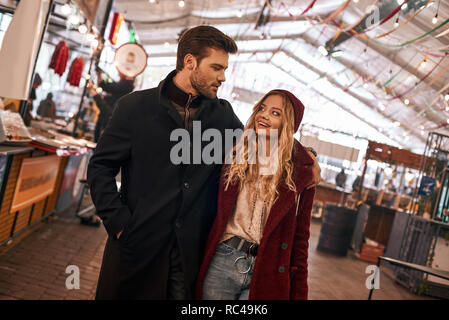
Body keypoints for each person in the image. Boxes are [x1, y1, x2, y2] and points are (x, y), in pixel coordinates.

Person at [87, 25, 321, 300]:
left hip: (187, 258)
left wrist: (307, 159)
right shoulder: (134, 107)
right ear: (190, 62)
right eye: (216, 68)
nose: (223, 77)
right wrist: (118, 221)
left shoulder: (222, 117)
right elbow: (100, 167)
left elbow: (266, 137)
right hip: (136, 247)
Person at [195, 90, 315, 300]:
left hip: (267, 269)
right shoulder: (235, 153)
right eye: (262, 108)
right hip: (223, 261)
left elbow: (301, 239)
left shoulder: (301, 173)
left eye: (276, 113)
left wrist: (299, 294)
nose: (264, 115)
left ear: (289, 124)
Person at [90, 69, 134, 142]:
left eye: (120, 71)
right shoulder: (122, 89)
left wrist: (96, 96)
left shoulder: (124, 86)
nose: (118, 73)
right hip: (105, 120)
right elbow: (104, 85)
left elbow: (107, 111)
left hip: (106, 122)